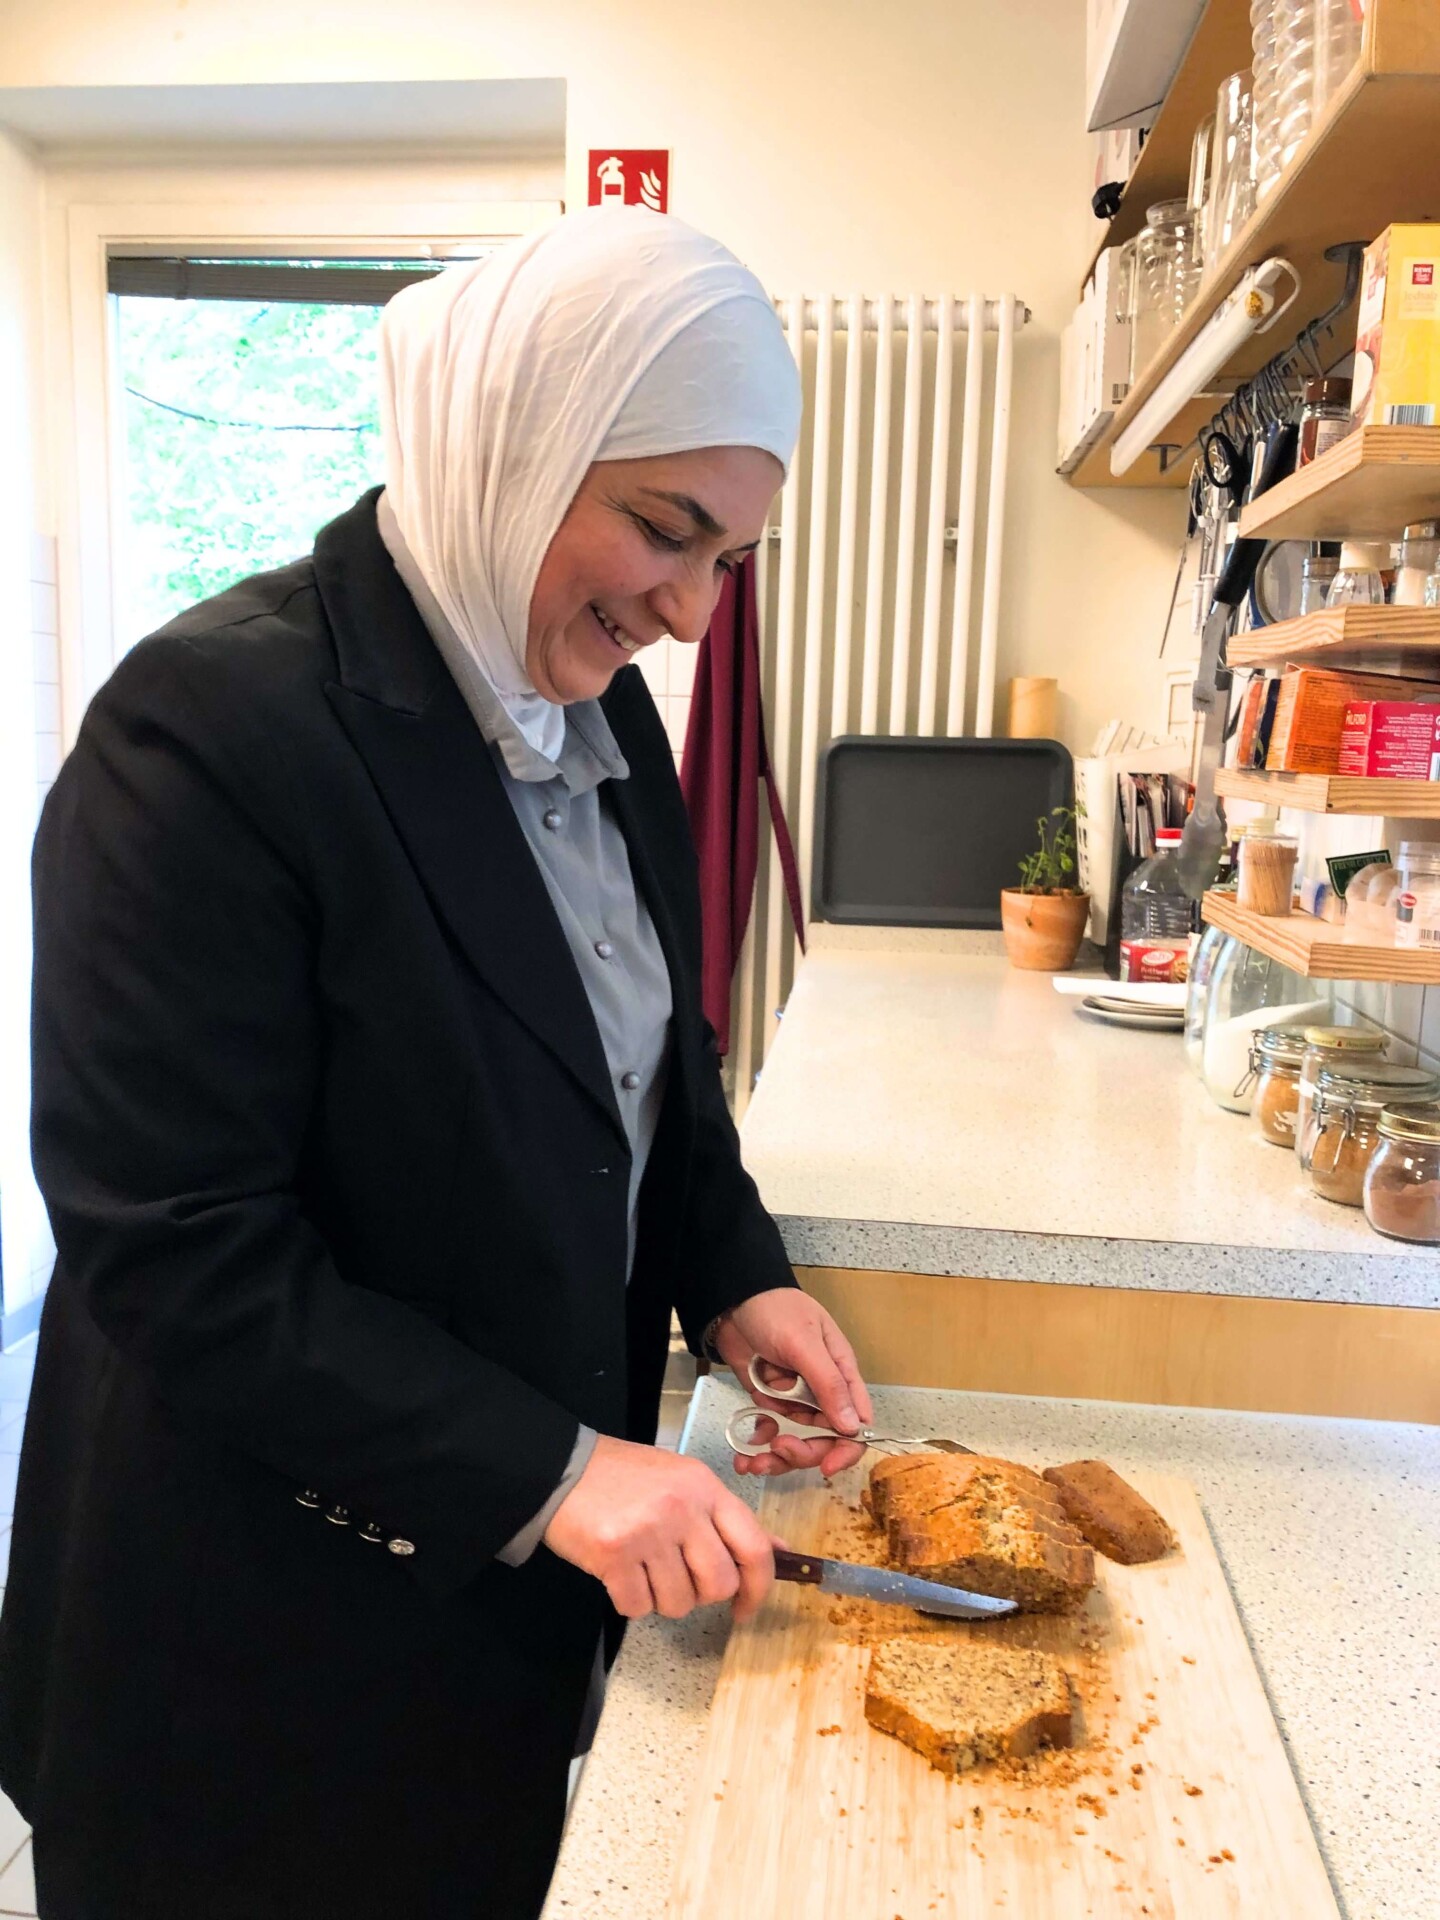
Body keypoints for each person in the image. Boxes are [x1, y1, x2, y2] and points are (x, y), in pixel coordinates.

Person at [0, 207, 875, 1920]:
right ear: (517, 437)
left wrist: (735, 1273)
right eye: (663, 531)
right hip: (245, 1653)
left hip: (476, 1622)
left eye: (730, 562)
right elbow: (179, 1250)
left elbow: (654, 1056)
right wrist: (555, 1471)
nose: (693, 615)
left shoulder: (592, 702)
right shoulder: (205, 735)